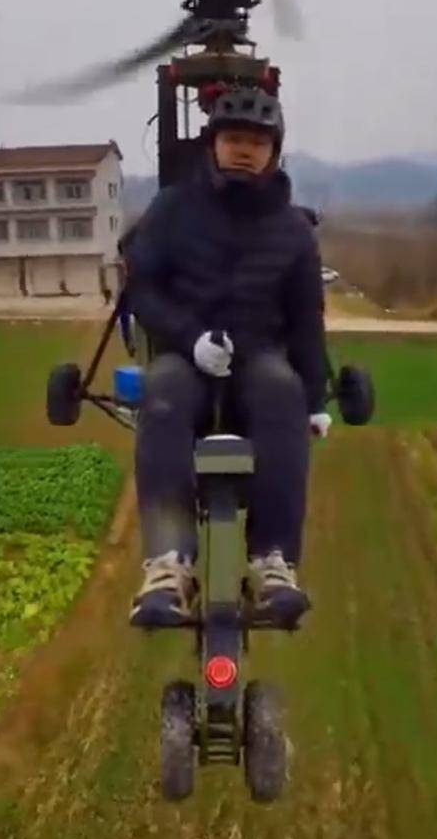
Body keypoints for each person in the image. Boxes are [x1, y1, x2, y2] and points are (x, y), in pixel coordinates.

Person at [123, 86, 331, 628]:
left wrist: (316, 399)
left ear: (274, 152)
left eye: (257, 142)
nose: (244, 150)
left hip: (258, 359)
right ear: (212, 144)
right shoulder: (172, 210)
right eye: (234, 138)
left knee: (282, 388)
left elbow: (307, 321)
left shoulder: (294, 231)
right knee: (163, 390)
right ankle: (169, 567)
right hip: (185, 356)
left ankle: (272, 564)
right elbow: (143, 291)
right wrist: (190, 338)